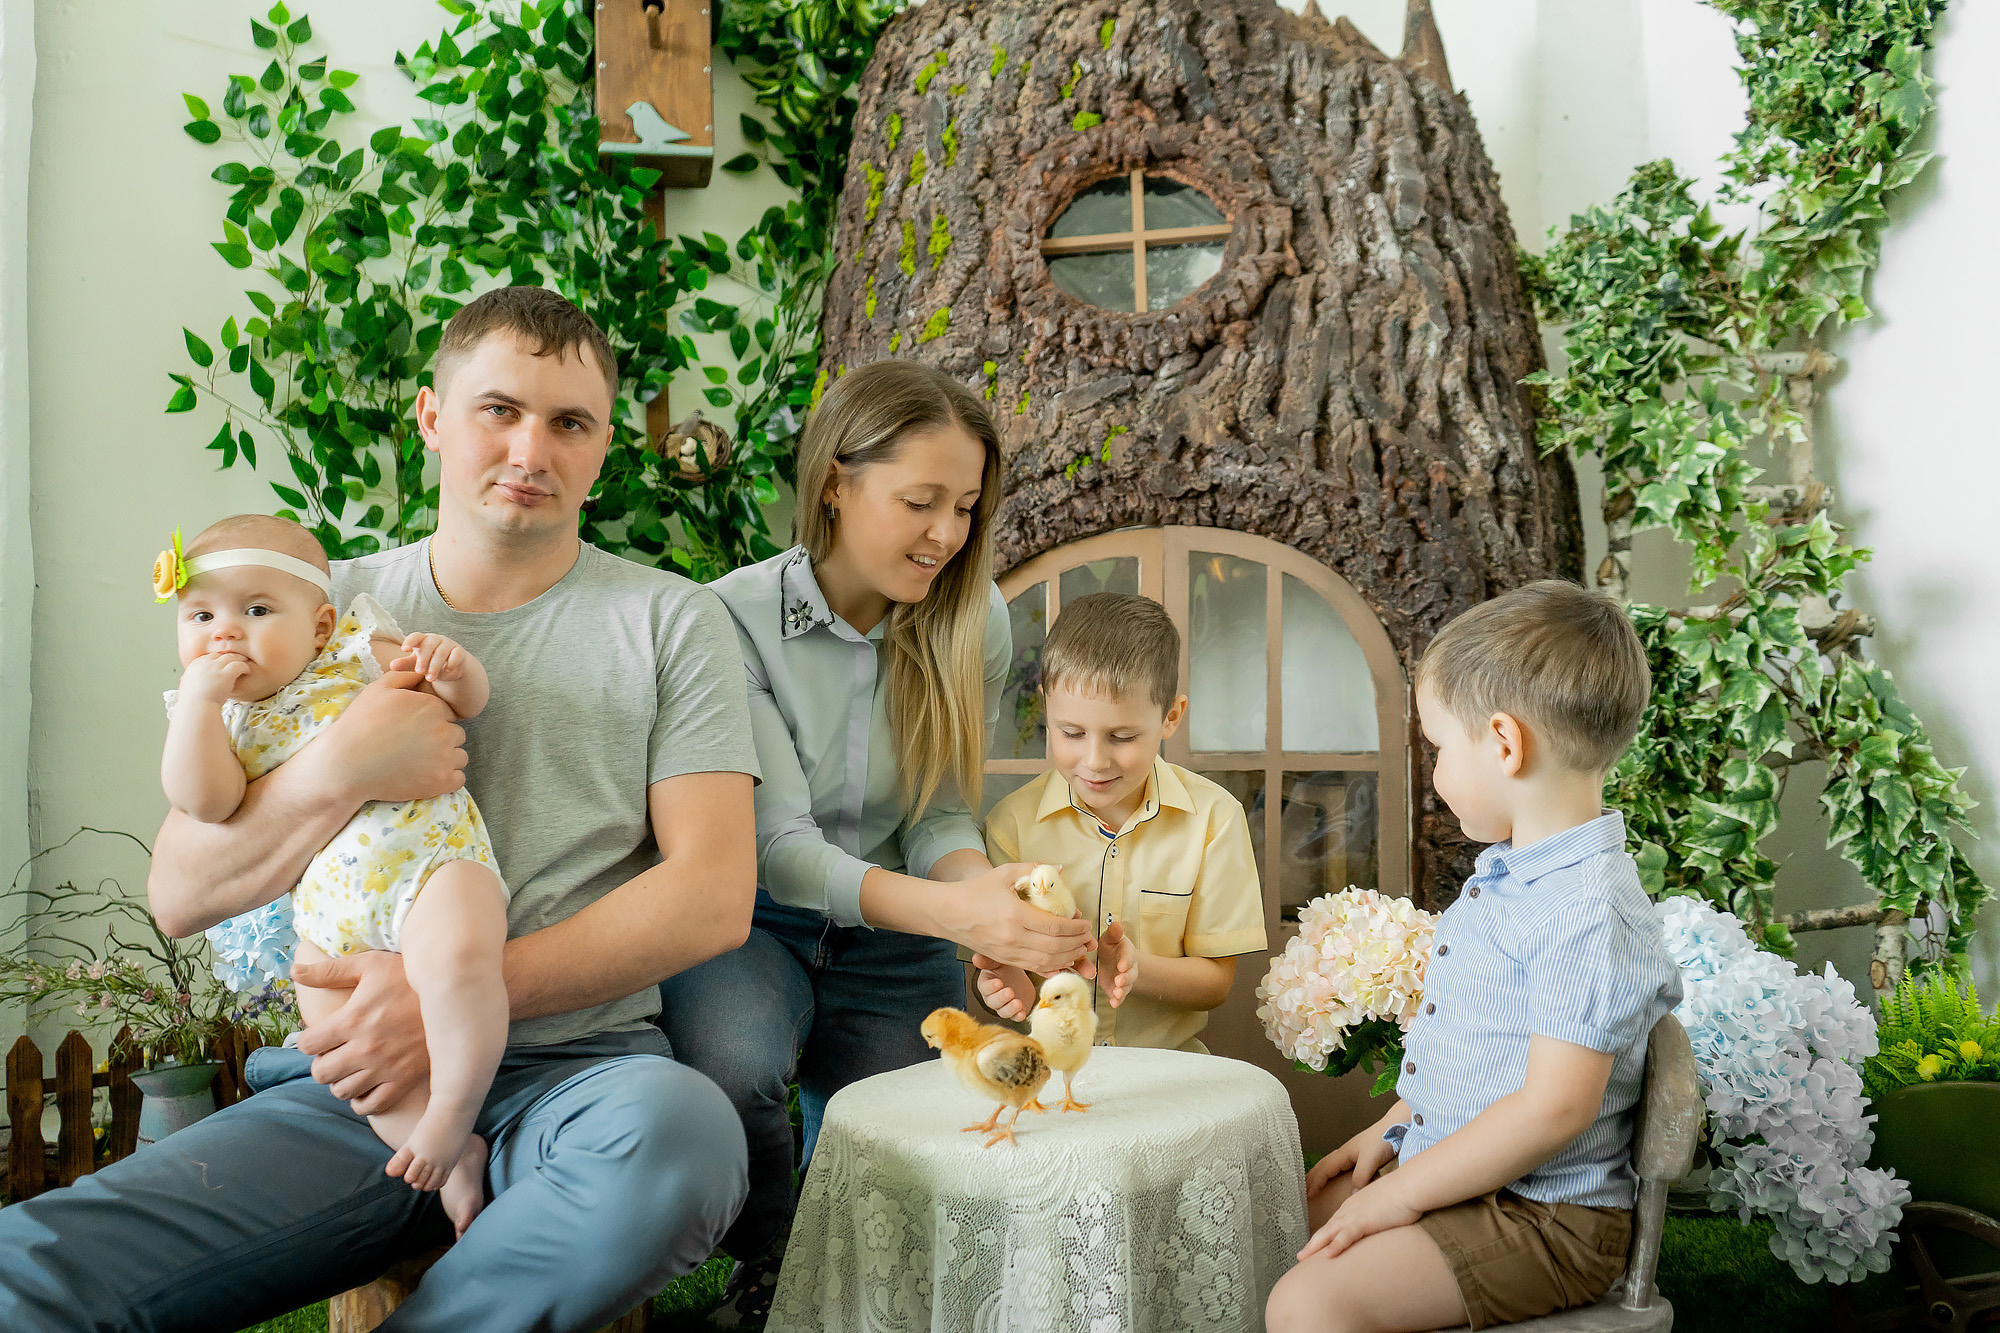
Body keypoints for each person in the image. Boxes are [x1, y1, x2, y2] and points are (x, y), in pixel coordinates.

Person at [0, 286, 761, 1333]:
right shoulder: (309, 609)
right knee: (31, 1265)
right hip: (348, 1086)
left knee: (685, 1143)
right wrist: (338, 766)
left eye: (569, 422)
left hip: (580, 1080)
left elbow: (712, 895)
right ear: (431, 418)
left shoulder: (670, 621)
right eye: (499, 408)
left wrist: (446, 994)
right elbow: (180, 893)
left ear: (601, 449)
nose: (530, 447)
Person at [655, 359, 1095, 1325]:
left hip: (894, 923)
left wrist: (989, 908)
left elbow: (939, 812)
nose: (948, 534)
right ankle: (770, 1251)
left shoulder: (971, 618)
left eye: (968, 506)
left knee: (911, 1130)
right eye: (920, 501)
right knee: (731, 1068)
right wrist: (956, 910)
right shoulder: (726, 621)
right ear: (835, 485)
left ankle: (826, 1257)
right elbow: (779, 848)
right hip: (749, 919)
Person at [1264, 580, 1684, 1333]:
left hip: (1548, 1217)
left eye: (1437, 747)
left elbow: (1555, 1105)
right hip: (1484, 1179)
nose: (1434, 773)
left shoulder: (1586, 911)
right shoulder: (1517, 875)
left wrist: (1404, 1191)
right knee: (1283, 1223)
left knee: (1309, 1299)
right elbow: (1481, 1058)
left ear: (1503, 742)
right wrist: (1395, 1130)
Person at [158, 513, 507, 1236]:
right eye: (201, 614)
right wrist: (196, 704)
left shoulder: (354, 650)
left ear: (319, 624)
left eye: (255, 610)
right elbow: (208, 800)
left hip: (430, 863)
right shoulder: (215, 720)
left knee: (460, 963)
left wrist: (452, 669)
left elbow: (464, 701)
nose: (225, 632)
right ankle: (440, 1144)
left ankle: (454, 1109)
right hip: (330, 920)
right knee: (343, 1045)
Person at [975, 592, 1268, 1052]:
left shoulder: (1215, 819)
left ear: (1171, 717)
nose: (1094, 760)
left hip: (1168, 1078)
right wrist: (1008, 984)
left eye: (1122, 737)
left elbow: (1216, 984)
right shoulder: (1010, 826)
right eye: (1071, 733)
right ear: (1045, 708)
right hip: (1049, 1077)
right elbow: (1001, 971)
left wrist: (1137, 969)